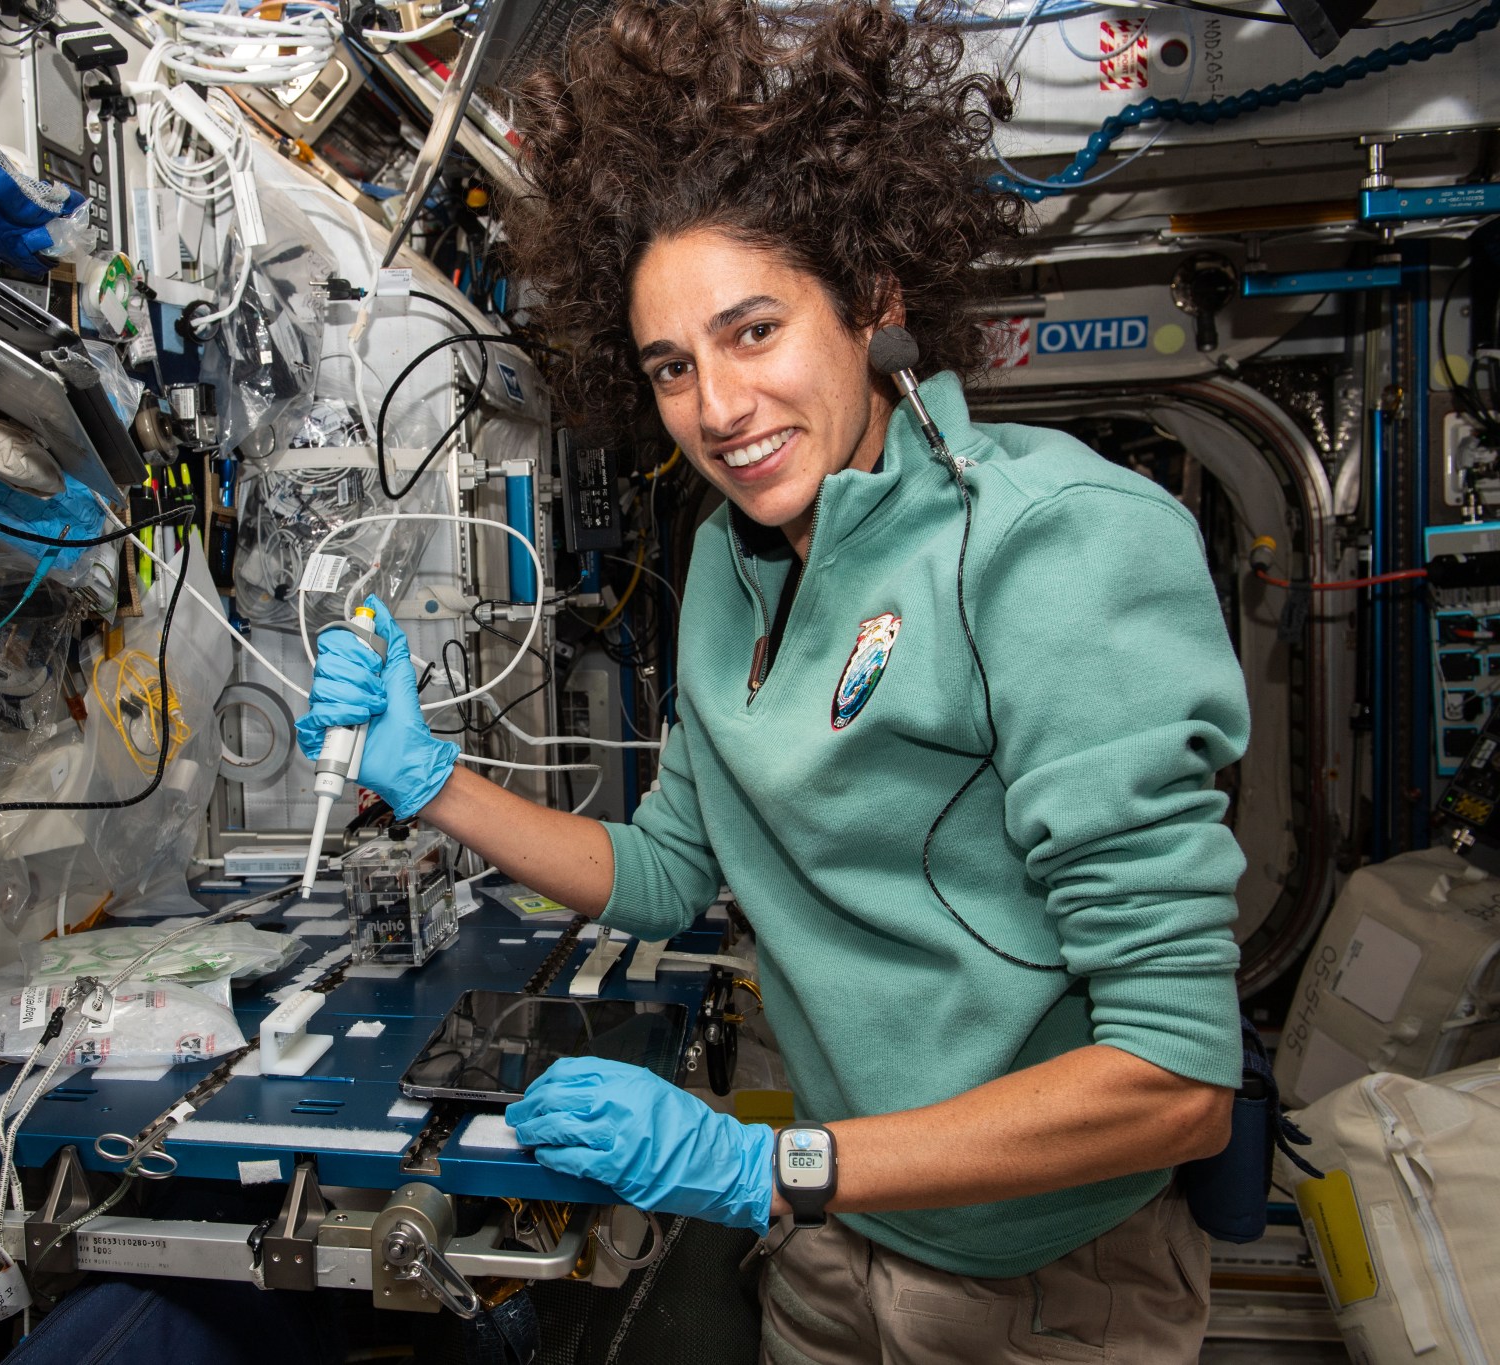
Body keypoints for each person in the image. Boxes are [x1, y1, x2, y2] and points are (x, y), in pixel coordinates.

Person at [296, 0, 1248, 1358]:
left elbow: (1175, 1081)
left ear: (873, 302)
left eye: (754, 331)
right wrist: (432, 777)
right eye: (673, 365)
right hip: (832, 1240)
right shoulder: (731, 561)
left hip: (1042, 1275)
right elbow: (670, 869)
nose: (718, 407)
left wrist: (770, 1169)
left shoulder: (1051, 549)